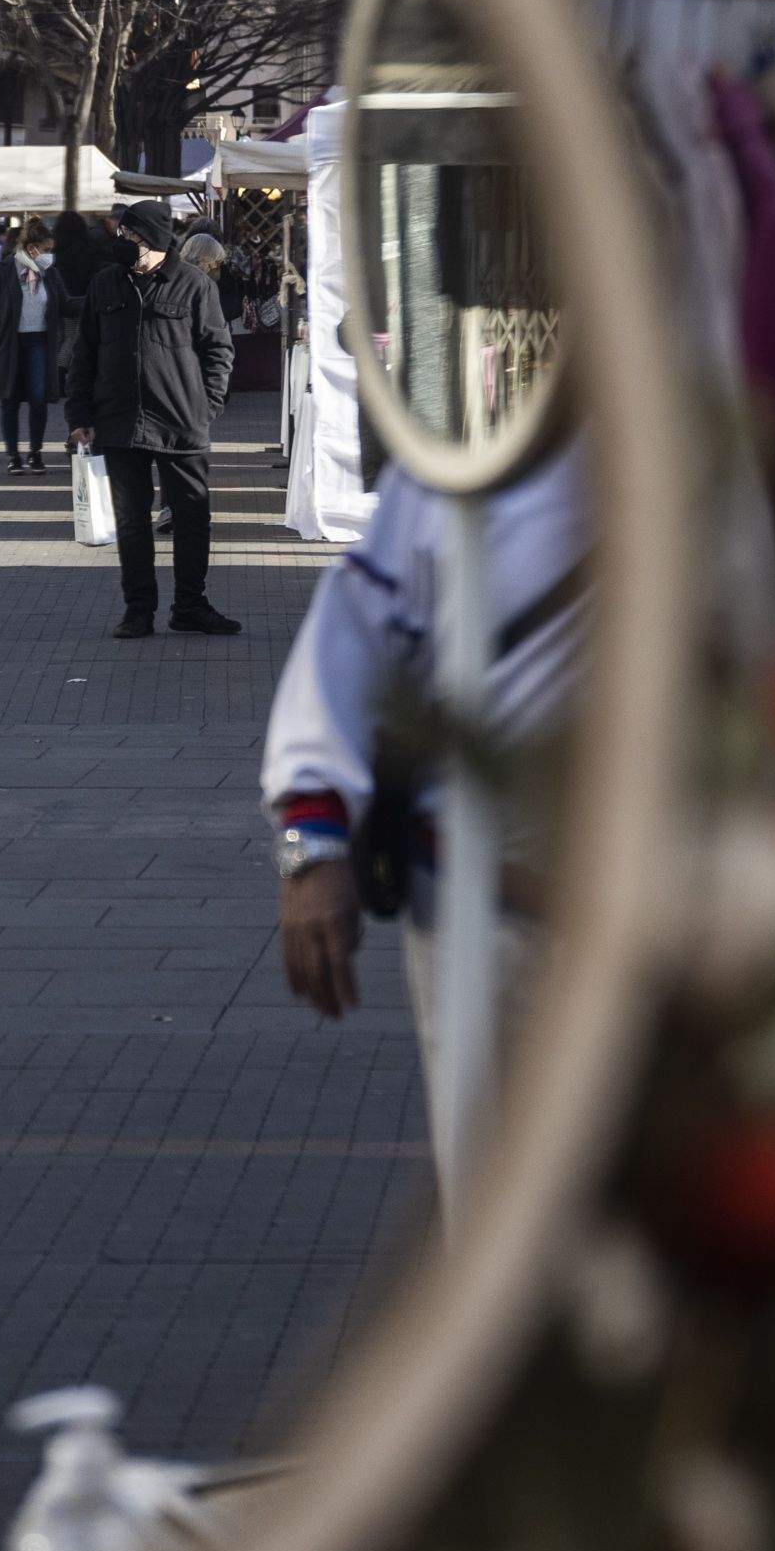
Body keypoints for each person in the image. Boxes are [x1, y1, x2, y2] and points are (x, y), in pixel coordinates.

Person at [260, 445, 586, 1197]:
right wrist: (307, 852)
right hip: (486, 908)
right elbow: (344, 651)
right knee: (496, 1193)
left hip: (697, 903)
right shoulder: (455, 465)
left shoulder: (738, 436)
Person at [66, 200, 240, 638]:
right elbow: (83, 354)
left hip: (182, 422)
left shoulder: (194, 284)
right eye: (123, 236)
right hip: (119, 422)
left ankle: (190, 607)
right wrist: (80, 414)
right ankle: (138, 610)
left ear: (157, 241)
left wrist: (207, 406)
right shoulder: (106, 284)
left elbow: (218, 350)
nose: (125, 244)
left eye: (134, 238)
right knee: (131, 520)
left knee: (192, 518)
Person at [0, 220, 67, 473]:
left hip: (40, 341)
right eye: (45, 249)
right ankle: (13, 455)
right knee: (9, 400)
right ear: (32, 249)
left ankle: (35, 452)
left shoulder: (49, 272)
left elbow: (64, 303)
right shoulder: (3, 270)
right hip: (11, 343)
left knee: (38, 399)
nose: (48, 255)